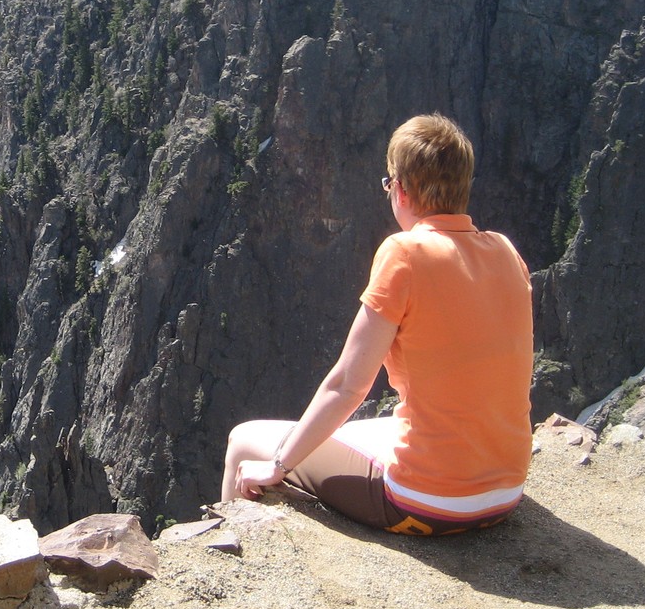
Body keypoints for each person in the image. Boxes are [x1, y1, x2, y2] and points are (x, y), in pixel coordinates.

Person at [220, 113, 534, 534]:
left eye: (389, 184)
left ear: (401, 190)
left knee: (242, 440)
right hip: (506, 491)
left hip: (427, 503)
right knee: (372, 428)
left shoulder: (404, 253)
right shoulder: (506, 252)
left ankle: (225, 559)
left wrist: (277, 467)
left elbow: (348, 385)